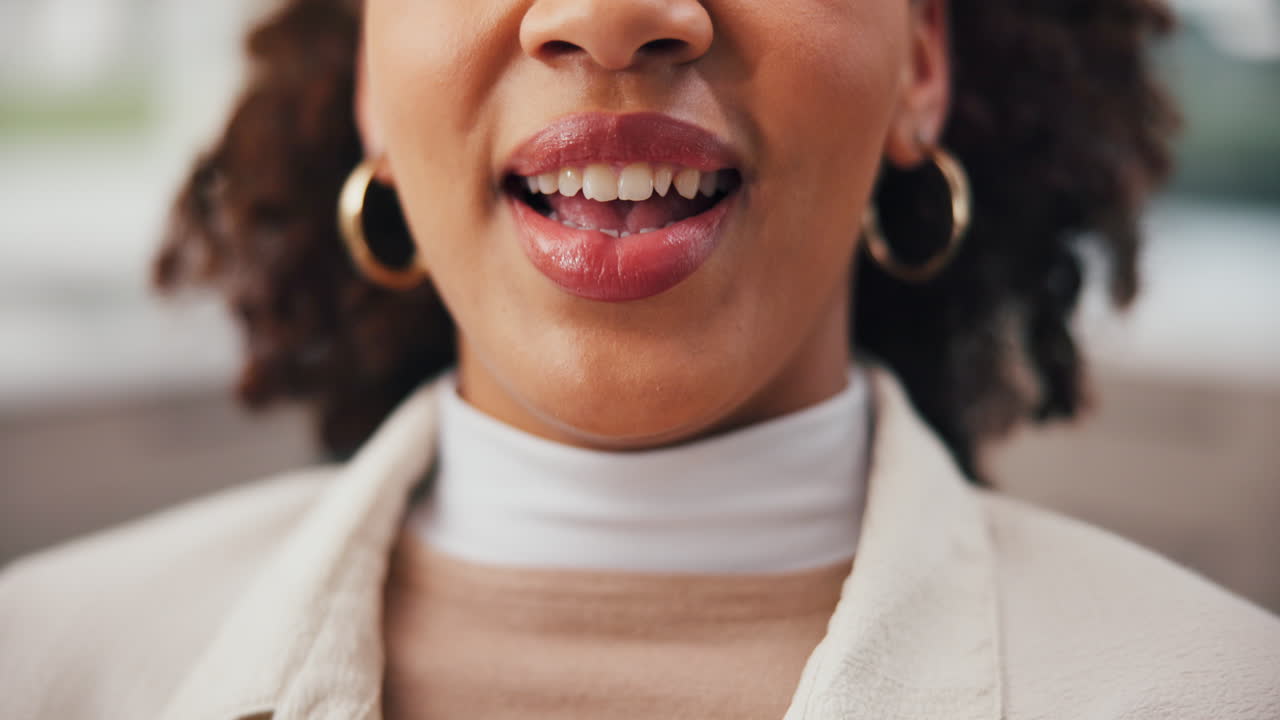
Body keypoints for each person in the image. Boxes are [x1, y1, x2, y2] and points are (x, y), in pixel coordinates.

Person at [2, 0, 1278, 717]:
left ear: (920, 62)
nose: (609, 18)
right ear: (371, 82)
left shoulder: (1221, 694)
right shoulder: (39, 665)